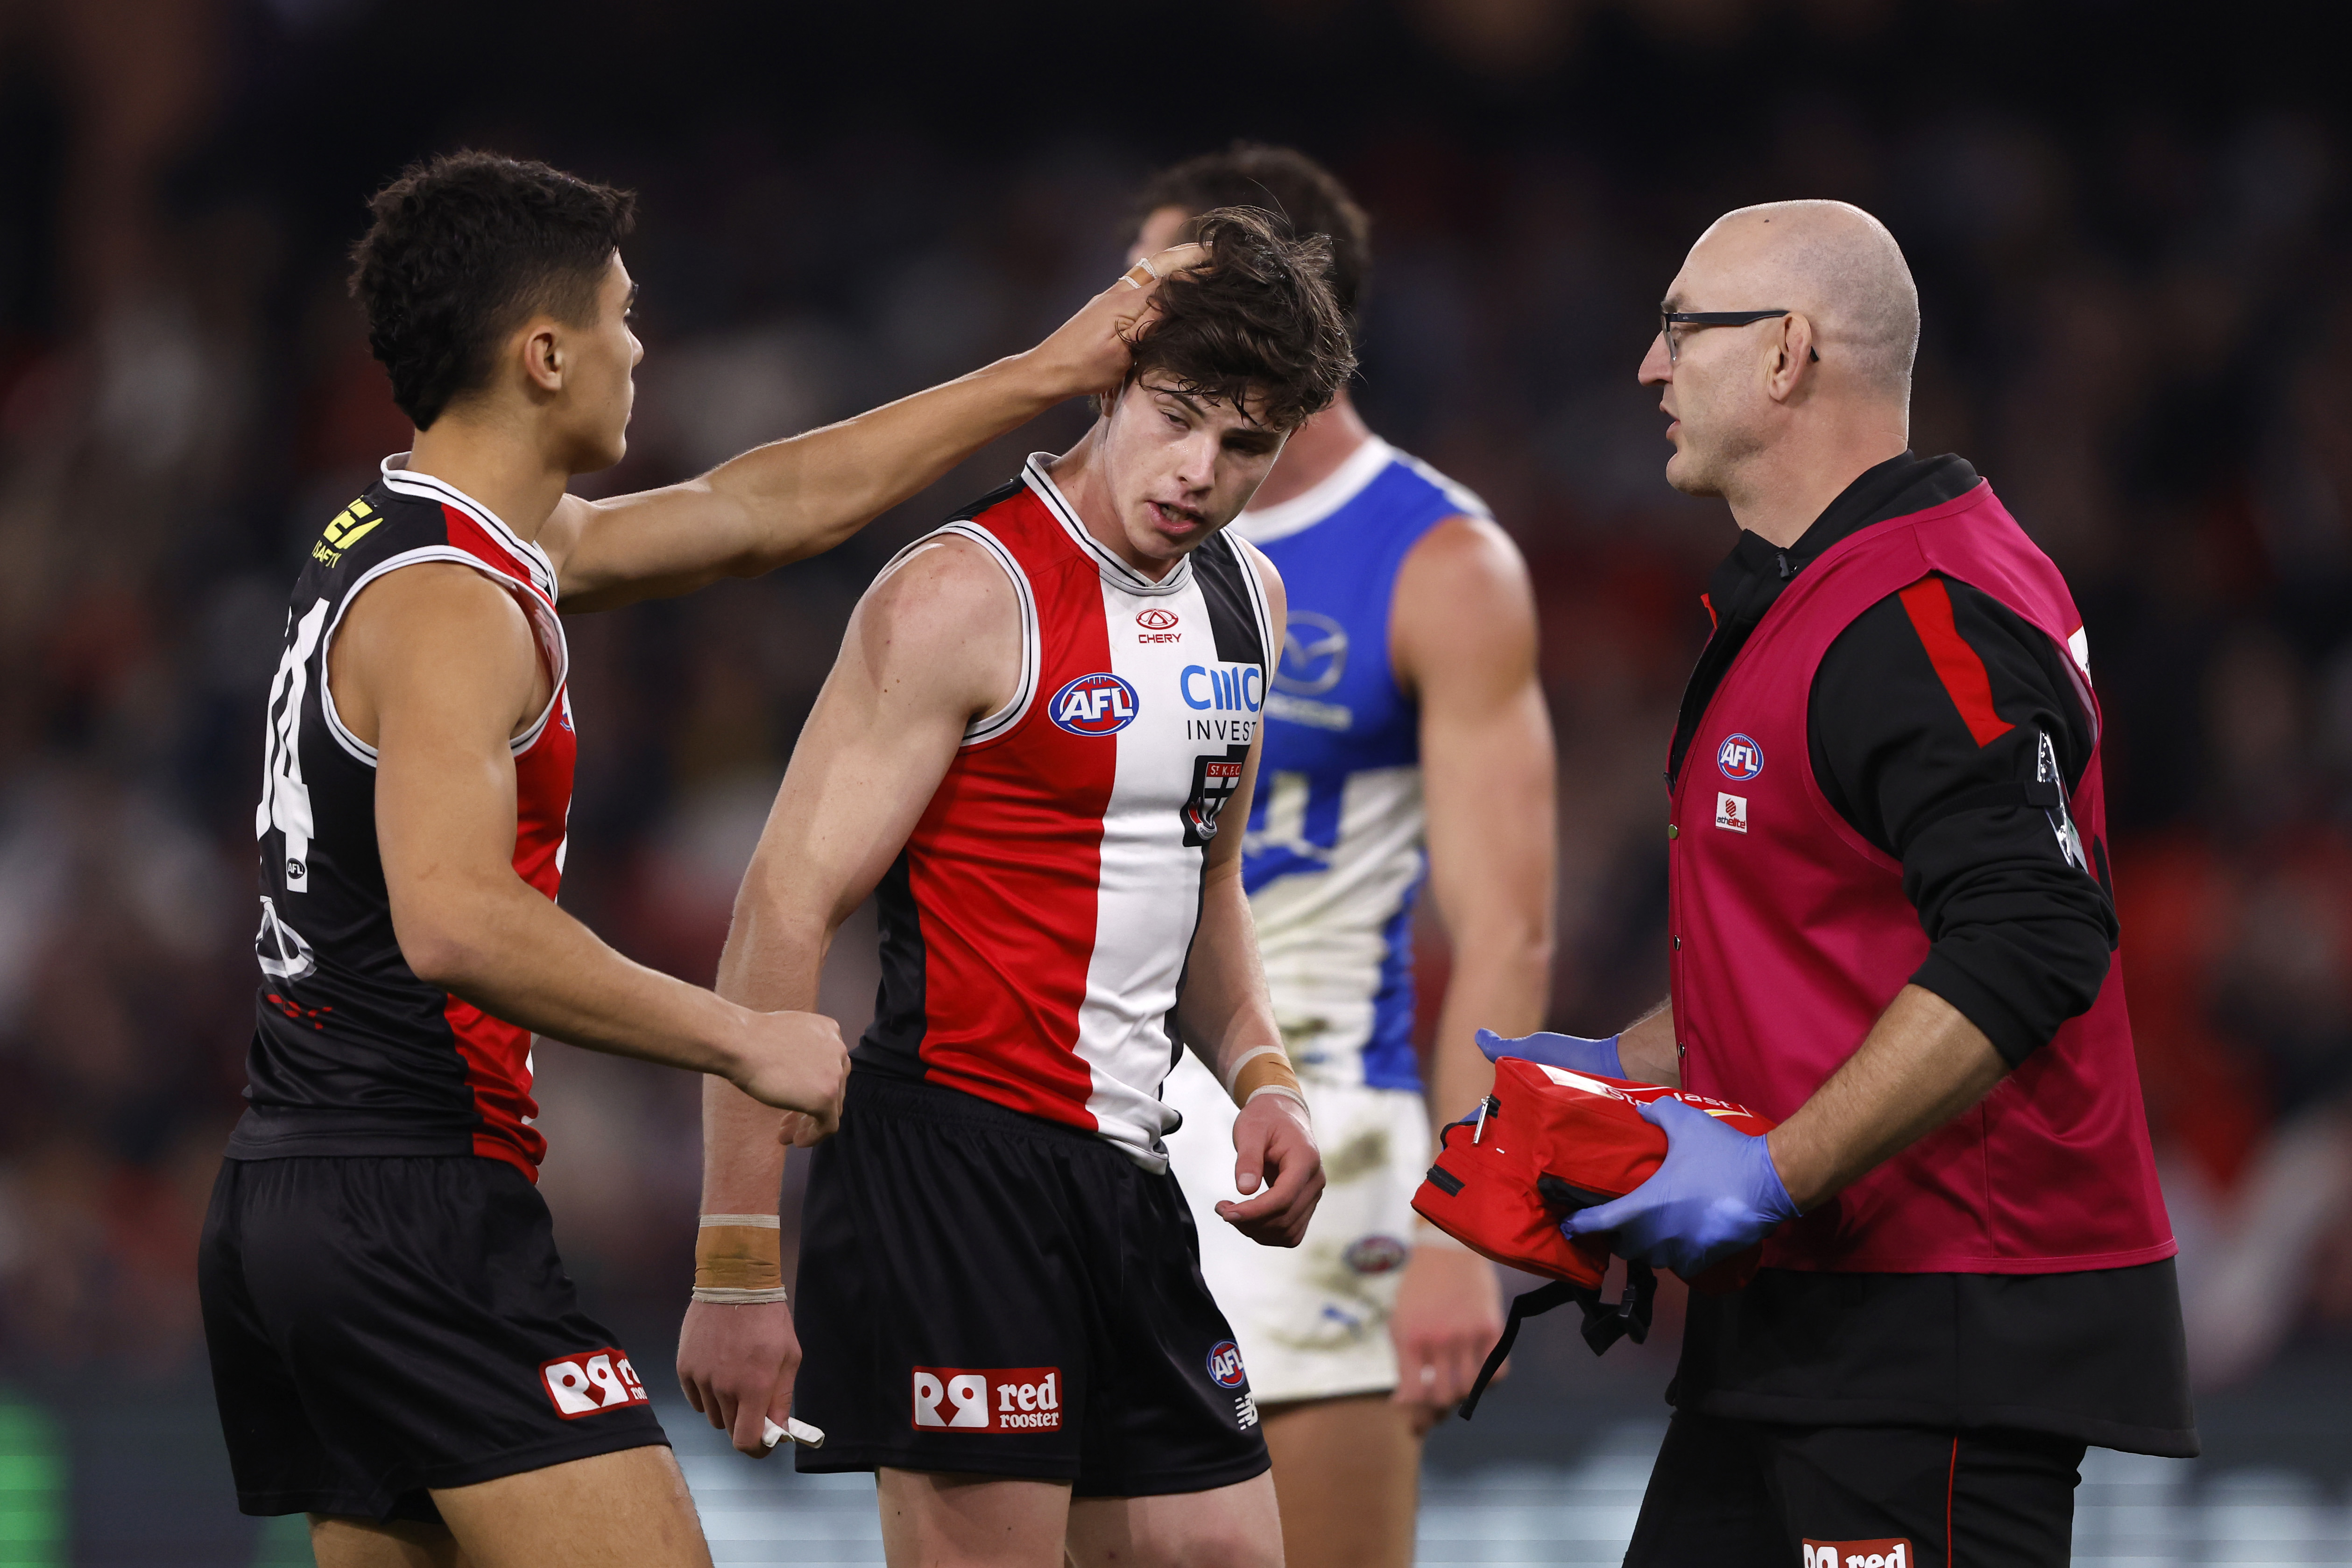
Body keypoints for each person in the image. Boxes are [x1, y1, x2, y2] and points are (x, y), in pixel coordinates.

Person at [199, 149, 1189, 1568]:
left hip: (302, 1189)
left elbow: (753, 512)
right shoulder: (453, 606)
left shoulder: (407, 537)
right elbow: (458, 924)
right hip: (406, 1199)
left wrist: (1036, 378)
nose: (638, 347)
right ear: (546, 355)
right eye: (621, 315)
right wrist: (742, 1038)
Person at [1485, 198, 2194, 1566]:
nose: (1648, 366)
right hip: (1817, 1326)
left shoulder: (1924, 605)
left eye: (1682, 328)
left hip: (1936, 1324)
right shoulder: (1827, 595)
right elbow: (1819, 952)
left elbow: (2036, 933)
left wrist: (1769, 1173)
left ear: (1787, 355)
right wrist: (1597, 1088)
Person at [679, 208, 1351, 1568]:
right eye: (1178, 416)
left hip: (1129, 1178)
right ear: (1112, 377)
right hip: (956, 1176)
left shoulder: (1249, 602)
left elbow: (1202, 870)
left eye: (1246, 445)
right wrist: (738, 1260)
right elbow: (780, 910)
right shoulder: (959, 597)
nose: (1200, 471)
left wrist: (1263, 1076)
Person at [1123, 146, 1555, 1568]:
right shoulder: (1114, 539)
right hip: (1100, 1139)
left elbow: (1507, 932)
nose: (1123, 320)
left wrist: (1468, 1230)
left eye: (1160, 287)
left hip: (1327, 1155)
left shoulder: (1439, 561)